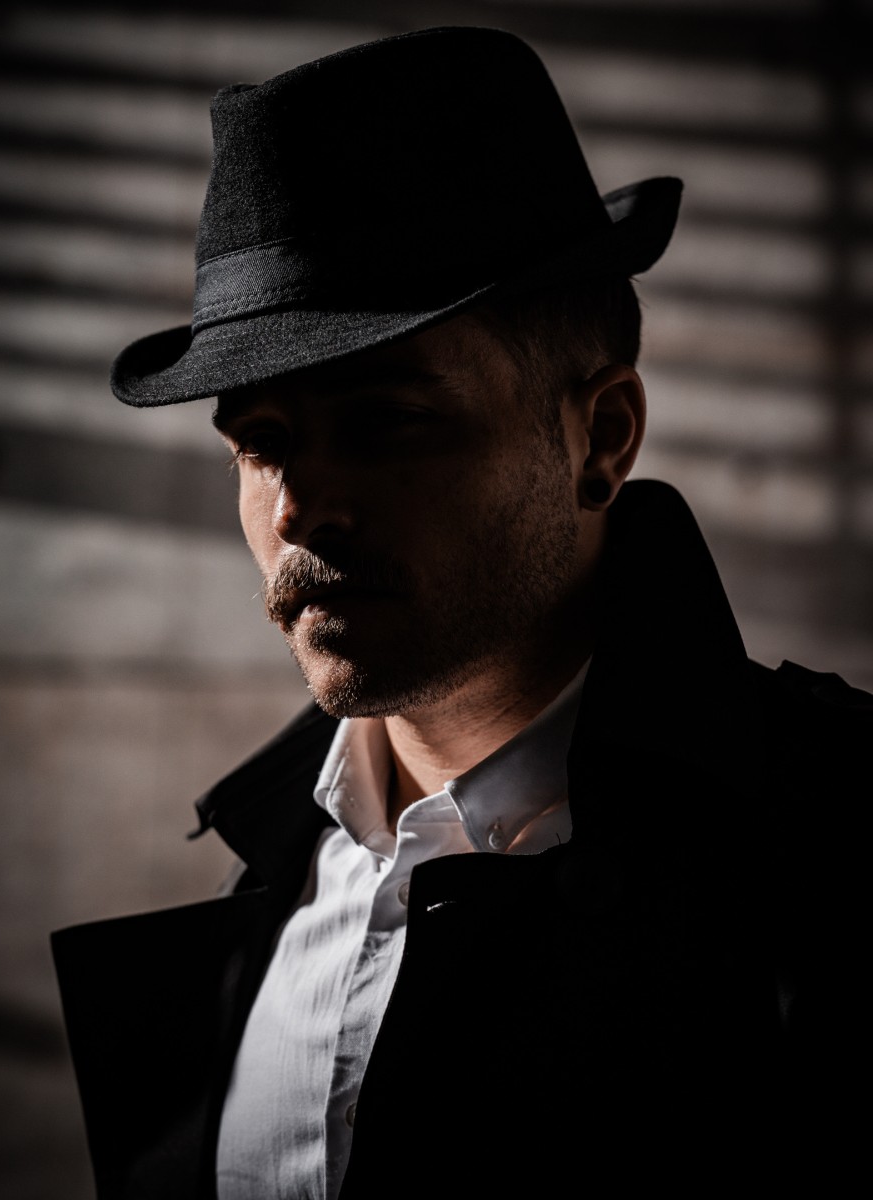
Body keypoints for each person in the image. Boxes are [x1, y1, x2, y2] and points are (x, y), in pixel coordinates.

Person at [52, 26, 869, 1200]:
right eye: (262, 445)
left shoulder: (835, 851)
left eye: (389, 421)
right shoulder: (262, 887)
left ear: (602, 437)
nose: (301, 508)